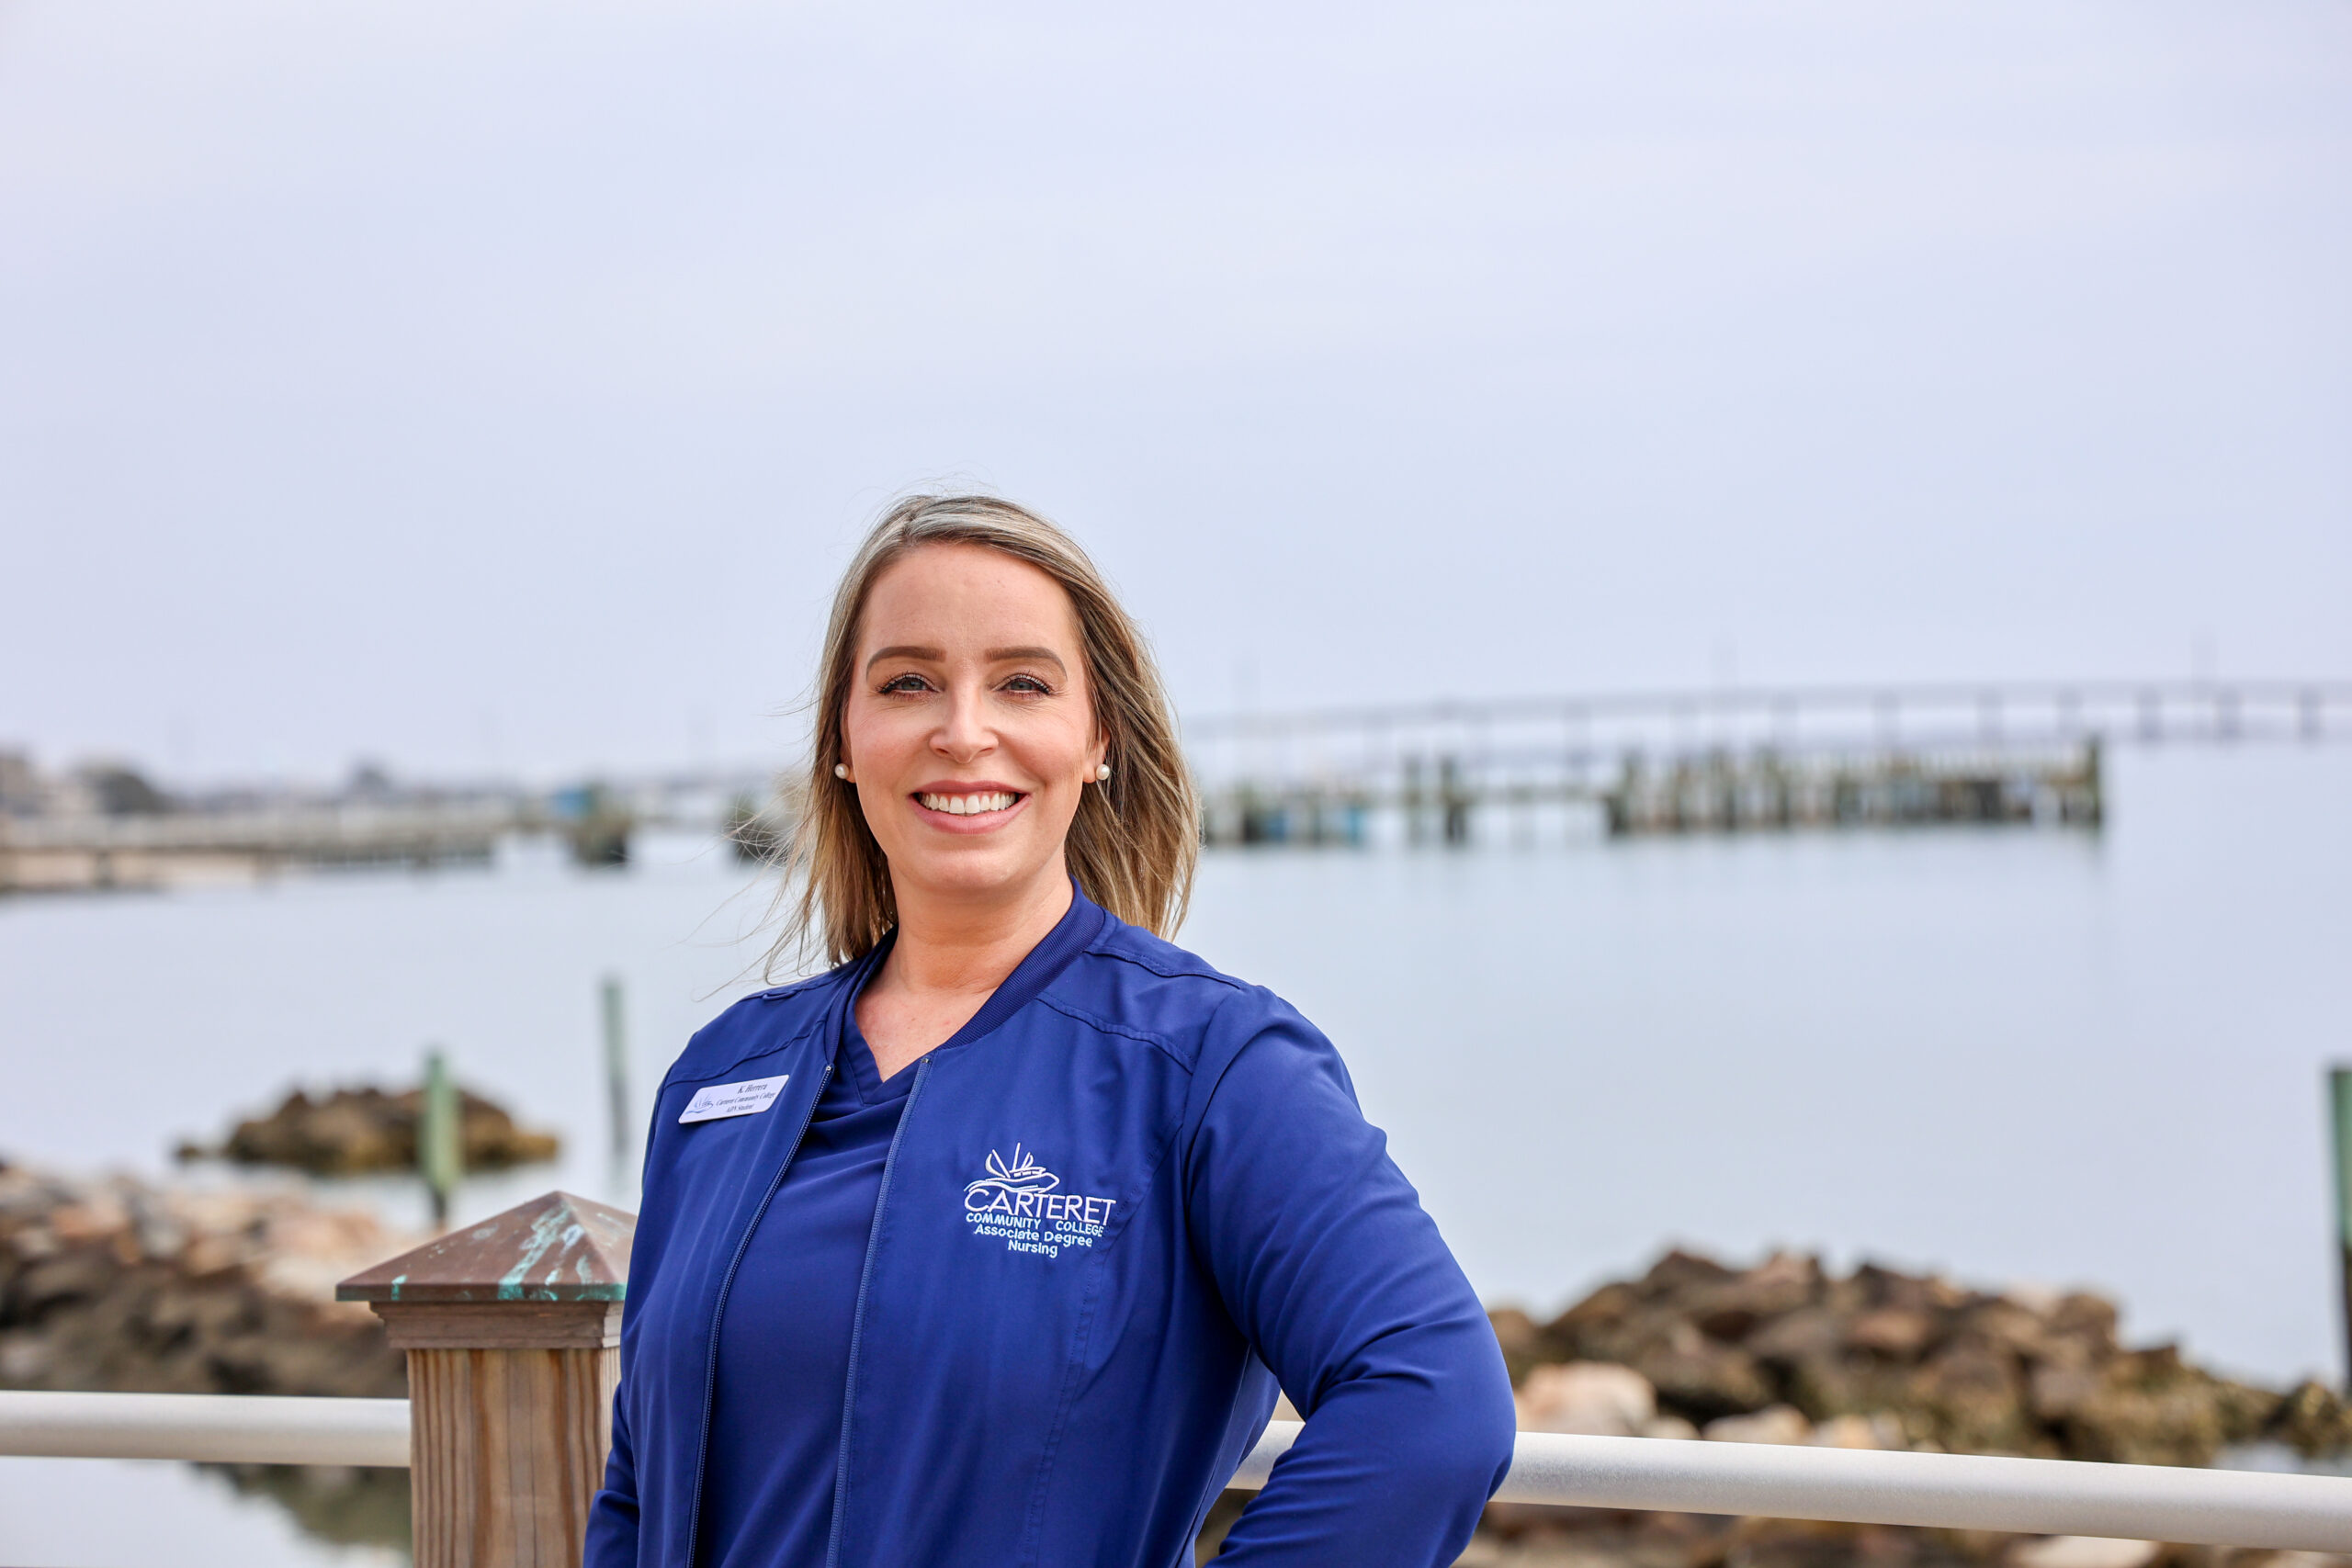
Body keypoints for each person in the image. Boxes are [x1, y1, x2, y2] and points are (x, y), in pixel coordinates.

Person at [583, 495, 1516, 1568]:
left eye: (1021, 683)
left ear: (1097, 739)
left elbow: (1432, 1401)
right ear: (845, 740)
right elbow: (641, 1494)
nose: (963, 729)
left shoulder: (1210, 1067)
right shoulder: (721, 1078)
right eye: (907, 684)